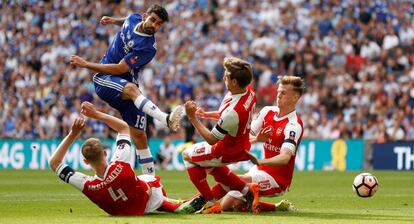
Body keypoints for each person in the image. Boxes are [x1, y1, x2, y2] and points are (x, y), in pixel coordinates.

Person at [69, 4, 182, 175]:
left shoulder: (148, 47)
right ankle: (165, 119)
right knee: (131, 89)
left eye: (159, 24)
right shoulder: (133, 17)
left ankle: (151, 184)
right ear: (144, 16)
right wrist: (113, 20)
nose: (155, 25)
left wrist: (86, 64)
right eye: (153, 20)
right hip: (103, 79)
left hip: (125, 83)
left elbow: (120, 69)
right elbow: (127, 21)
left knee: (140, 137)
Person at [49, 102, 185, 216]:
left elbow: (54, 163)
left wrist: (73, 134)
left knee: (139, 183)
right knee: (147, 178)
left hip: (122, 211)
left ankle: (167, 203)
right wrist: (96, 114)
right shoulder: (120, 162)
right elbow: (123, 128)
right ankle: (167, 203)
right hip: (146, 201)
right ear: (105, 153)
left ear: (85, 162)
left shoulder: (87, 185)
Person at [201, 75, 305, 214]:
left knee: (235, 181)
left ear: (295, 98)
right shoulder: (267, 111)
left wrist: (260, 160)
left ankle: (199, 203)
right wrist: (257, 139)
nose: (278, 95)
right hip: (259, 170)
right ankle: (276, 206)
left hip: (277, 180)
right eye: (279, 91)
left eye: (284, 93)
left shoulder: (293, 125)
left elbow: (285, 158)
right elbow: (246, 134)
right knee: (234, 205)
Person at [179, 56, 260, 213]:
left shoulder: (233, 112)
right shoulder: (249, 92)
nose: (224, 77)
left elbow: (211, 139)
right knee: (208, 163)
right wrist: (207, 115)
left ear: (235, 82)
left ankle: (210, 201)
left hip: (225, 150)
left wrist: (192, 117)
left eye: (227, 76)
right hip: (241, 145)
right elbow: (227, 117)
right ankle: (246, 191)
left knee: (187, 155)